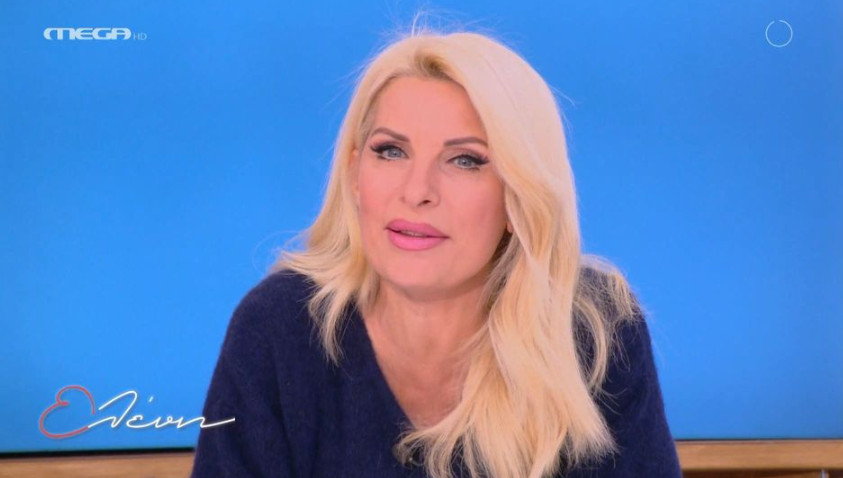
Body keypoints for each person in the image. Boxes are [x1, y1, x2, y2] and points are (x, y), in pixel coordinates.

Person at [190, 21, 682, 478]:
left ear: (519, 197)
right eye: (391, 151)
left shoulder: (596, 332)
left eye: (465, 160)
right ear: (355, 173)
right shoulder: (278, 329)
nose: (417, 191)